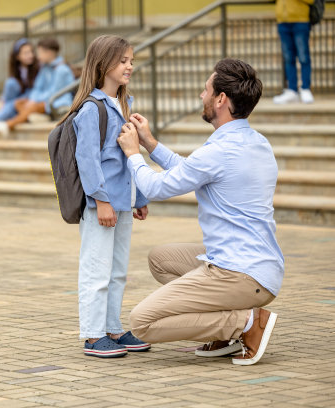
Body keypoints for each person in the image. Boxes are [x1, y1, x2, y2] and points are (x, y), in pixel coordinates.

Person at [117, 59, 284, 366]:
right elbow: (193, 172)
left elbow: (156, 188)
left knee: (142, 323)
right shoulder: (257, 143)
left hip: (238, 273)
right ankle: (228, 332)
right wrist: (151, 144)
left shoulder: (218, 151)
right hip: (261, 266)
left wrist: (132, 154)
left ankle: (245, 324)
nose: (201, 95)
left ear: (221, 99)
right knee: (161, 259)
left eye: (206, 89)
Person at [64, 35, 150, 358]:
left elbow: (131, 156)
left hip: (123, 204)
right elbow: (88, 161)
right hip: (101, 206)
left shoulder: (125, 105)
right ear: (103, 64)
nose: (129, 66)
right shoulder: (91, 109)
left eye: (131, 60)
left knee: (117, 270)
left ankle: (112, 327)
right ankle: (92, 334)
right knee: (96, 270)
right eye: (123, 61)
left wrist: (139, 197)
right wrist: (100, 199)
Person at [0, 38, 74, 138]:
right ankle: (38, 116)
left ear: (49, 53)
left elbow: (54, 92)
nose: (37, 56)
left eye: (40, 53)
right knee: (18, 103)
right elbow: (37, 87)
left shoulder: (62, 70)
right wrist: (32, 100)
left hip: (57, 101)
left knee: (32, 107)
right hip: (44, 101)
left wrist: (35, 102)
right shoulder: (45, 68)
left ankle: (8, 125)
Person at [273, 0, 315, 104]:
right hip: (282, 21)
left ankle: (305, 88)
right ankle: (292, 90)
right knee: (288, 58)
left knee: (303, 56)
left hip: (300, 20)